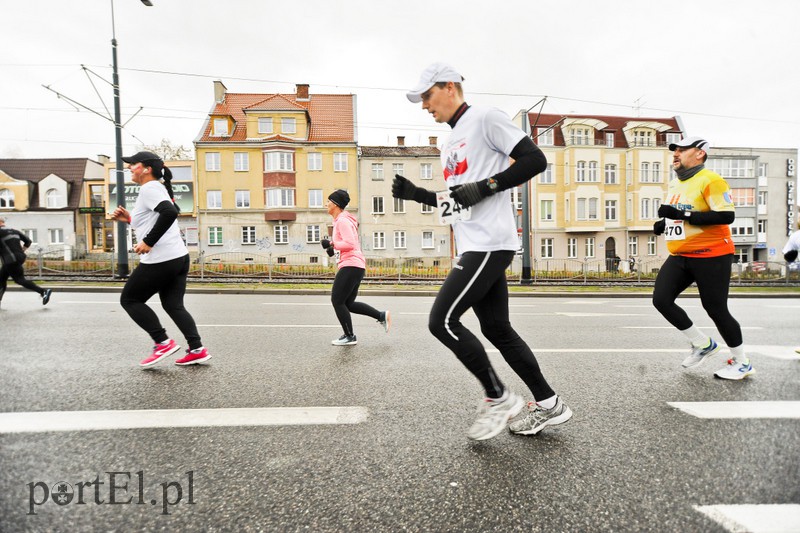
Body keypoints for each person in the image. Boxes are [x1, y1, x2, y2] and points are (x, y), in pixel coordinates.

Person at [394, 62, 572, 440]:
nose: (425, 105)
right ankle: (549, 403)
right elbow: (461, 199)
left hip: (490, 242)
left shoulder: (486, 118)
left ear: (449, 87)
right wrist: (418, 195)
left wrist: (489, 186)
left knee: (442, 321)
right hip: (475, 242)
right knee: (496, 328)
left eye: (427, 96)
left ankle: (498, 397)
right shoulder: (450, 141)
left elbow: (534, 160)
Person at [652, 137, 753, 380]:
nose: (675, 153)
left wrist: (680, 213)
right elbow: (678, 216)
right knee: (661, 300)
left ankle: (742, 362)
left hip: (712, 254)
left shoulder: (712, 180)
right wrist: (663, 223)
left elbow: (726, 216)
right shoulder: (675, 184)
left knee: (715, 309)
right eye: (673, 150)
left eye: (681, 150)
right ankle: (702, 343)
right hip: (681, 255)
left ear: (699, 154)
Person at [110, 151, 211, 368]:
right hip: (177, 257)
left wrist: (148, 241)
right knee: (174, 305)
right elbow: (162, 215)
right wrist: (129, 219)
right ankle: (197, 349)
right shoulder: (156, 189)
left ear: (146, 169)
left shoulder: (150, 188)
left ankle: (162, 342)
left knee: (130, 300)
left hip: (162, 259)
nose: (129, 168)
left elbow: (169, 213)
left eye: (133, 164)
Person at [322, 189, 390, 346]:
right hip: (355, 265)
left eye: (328, 201)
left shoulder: (342, 221)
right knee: (348, 304)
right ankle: (380, 316)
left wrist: (332, 243)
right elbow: (346, 244)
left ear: (336, 204)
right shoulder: (341, 220)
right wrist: (332, 249)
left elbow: (350, 243)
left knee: (337, 301)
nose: (326, 204)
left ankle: (349, 336)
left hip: (351, 265)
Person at [0, 217, 52, 308]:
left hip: (10, 260)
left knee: (19, 279)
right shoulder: (14, 231)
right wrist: (21, 251)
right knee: (1, 277)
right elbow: (28, 241)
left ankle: (43, 291)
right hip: (19, 257)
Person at [782, 228, 800, 354]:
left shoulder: (797, 236)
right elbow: (788, 254)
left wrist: (792, 262)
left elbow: (788, 255)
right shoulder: (796, 236)